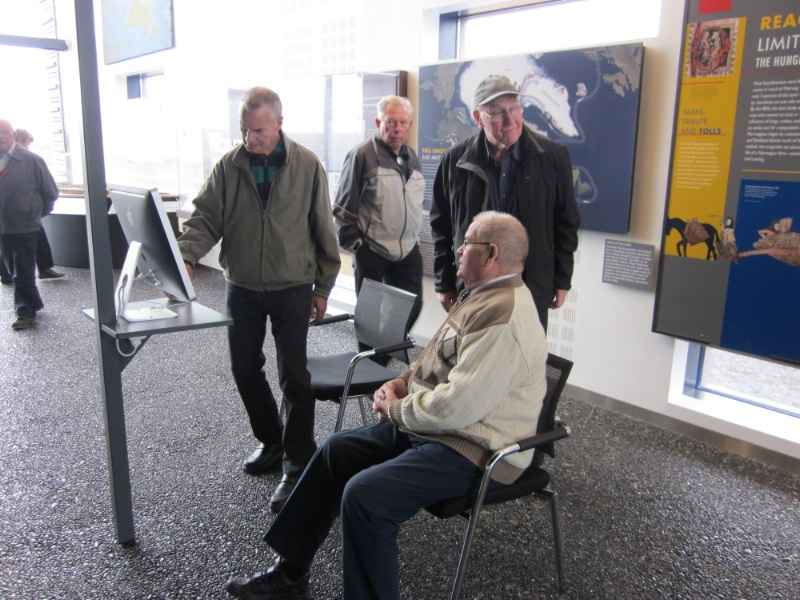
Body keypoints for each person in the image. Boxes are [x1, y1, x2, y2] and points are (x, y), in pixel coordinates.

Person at [225, 211, 547, 600]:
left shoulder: (504, 317)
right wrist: (399, 383)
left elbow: (457, 406)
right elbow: (433, 359)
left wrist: (395, 409)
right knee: (335, 451)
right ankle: (289, 575)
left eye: (467, 244)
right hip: (441, 431)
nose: (459, 250)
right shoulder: (480, 295)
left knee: (366, 497)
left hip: (477, 449)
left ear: (491, 254)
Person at [177, 87, 341, 512]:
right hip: (243, 285)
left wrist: (323, 287)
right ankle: (272, 440)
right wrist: (186, 257)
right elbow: (205, 217)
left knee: (294, 376)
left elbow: (323, 227)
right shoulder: (228, 167)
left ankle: (298, 461)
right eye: (245, 131)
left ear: (279, 124)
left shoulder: (307, 165)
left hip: (293, 285)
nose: (250, 139)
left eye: (259, 132)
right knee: (244, 368)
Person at [430, 74, 580, 330]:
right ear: (477, 118)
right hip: (473, 284)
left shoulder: (552, 158)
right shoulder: (454, 161)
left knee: (524, 350)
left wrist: (562, 279)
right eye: (497, 113)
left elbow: (566, 223)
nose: (510, 121)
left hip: (531, 283)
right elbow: (441, 226)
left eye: (514, 108)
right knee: (474, 349)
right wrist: (443, 282)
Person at [333, 95, 425, 328]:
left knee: (411, 307)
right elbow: (343, 208)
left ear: (410, 125)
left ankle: (387, 347)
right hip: (372, 250)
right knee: (369, 315)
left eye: (403, 122)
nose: (397, 128)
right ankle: (370, 351)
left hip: (407, 250)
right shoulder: (361, 155)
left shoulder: (412, 157)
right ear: (378, 122)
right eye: (391, 122)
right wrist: (358, 247)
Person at [0, 119, 59, 330]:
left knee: (23, 270)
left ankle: (25, 312)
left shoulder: (31, 160)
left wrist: (36, 214)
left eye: (3, 133)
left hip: (25, 226)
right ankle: (33, 302)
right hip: (3, 227)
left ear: (12, 134)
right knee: (11, 268)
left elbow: (51, 192)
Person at [11, 129, 65, 281]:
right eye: (27, 143)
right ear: (21, 140)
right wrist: (45, 208)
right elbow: (49, 189)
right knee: (38, 239)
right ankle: (44, 269)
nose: (28, 147)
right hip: (26, 213)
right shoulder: (32, 159)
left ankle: (7, 274)